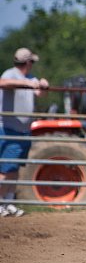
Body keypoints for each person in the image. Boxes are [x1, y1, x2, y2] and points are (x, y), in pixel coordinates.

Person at [0, 48, 49, 217]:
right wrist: (29, 84)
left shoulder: (30, 78)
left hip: (23, 131)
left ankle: (9, 202)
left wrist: (43, 85)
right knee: (6, 170)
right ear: (27, 63)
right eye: (32, 62)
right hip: (9, 129)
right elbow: (3, 83)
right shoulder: (11, 74)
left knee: (14, 169)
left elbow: (40, 94)